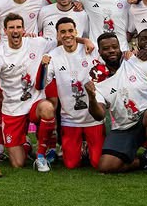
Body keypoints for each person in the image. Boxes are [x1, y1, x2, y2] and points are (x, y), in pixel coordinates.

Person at [87, 28, 147, 180]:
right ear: (100, 52)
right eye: (106, 48)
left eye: (114, 47)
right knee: (106, 166)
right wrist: (91, 97)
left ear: (120, 47)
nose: (111, 51)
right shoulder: (97, 77)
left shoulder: (138, 62)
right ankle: (145, 161)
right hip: (125, 126)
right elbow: (99, 115)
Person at [0, 13, 57, 171]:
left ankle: (40, 156)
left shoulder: (37, 43)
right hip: (12, 108)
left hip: (34, 102)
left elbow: (61, 39)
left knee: (47, 108)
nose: (15, 30)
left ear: (24, 29)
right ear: (5, 31)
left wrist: (84, 40)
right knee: (18, 163)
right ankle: (25, 144)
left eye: (18, 27)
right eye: (11, 27)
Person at [39, 17, 105, 169]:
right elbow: (43, 82)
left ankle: (89, 146)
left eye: (70, 31)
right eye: (62, 32)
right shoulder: (53, 55)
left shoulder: (90, 49)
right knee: (71, 164)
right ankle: (77, 146)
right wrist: (43, 67)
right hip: (70, 119)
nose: (67, 35)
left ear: (76, 32)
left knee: (97, 163)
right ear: (57, 35)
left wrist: (85, 40)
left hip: (93, 117)